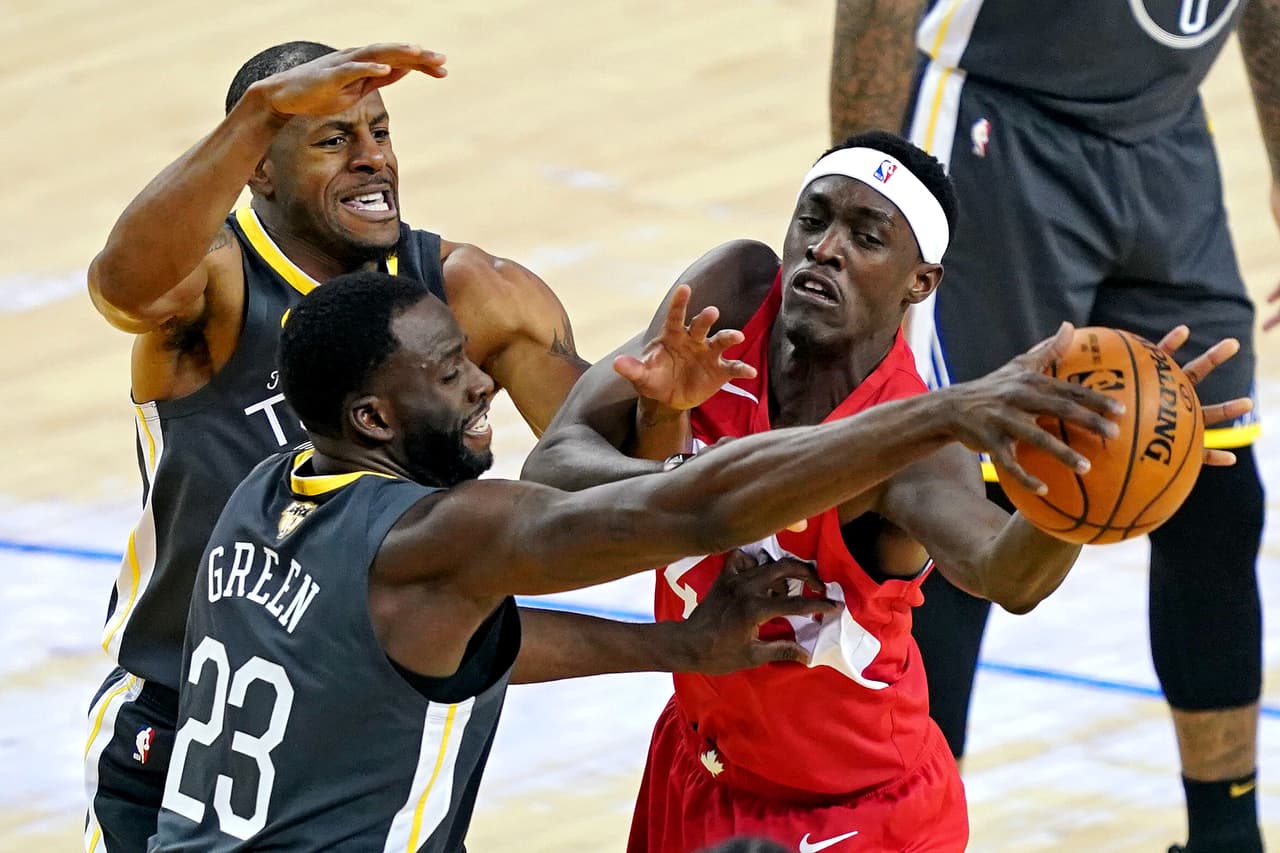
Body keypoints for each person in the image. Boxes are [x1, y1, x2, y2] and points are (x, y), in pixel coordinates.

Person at [149, 270, 1117, 851]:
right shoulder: (439, 537)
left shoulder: (263, 494)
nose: (484, 380)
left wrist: (681, 646)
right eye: (450, 376)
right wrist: (940, 411)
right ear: (373, 419)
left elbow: (470, 646)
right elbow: (691, 509)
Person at [521, 131, 1247, 852]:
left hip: (855, 818)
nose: (825, 248)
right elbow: (551, 473)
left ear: (919, 282)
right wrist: (674, 450)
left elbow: (1004, 573)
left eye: (866, 237)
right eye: (814, 218)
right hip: (697, 769)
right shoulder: (736, 294)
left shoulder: (907, 444)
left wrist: (1088, 485)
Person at [81, 41, 600, 852]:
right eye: (333, 141)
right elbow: (121, 286)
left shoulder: (469, 291)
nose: (372, 161)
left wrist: (669, 411)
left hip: (373, 720)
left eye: (381, 132)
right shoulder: (214, 285)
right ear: (260, 168)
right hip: (191, 717)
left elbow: (605, 476)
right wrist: (258, 113)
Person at [829, 3, 1276, 850]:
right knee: (959, 496)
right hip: (998, 131)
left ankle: (1227, 834)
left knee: (1212, 489)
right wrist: (862, 197)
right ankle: (898, 828)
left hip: (1162, 134)